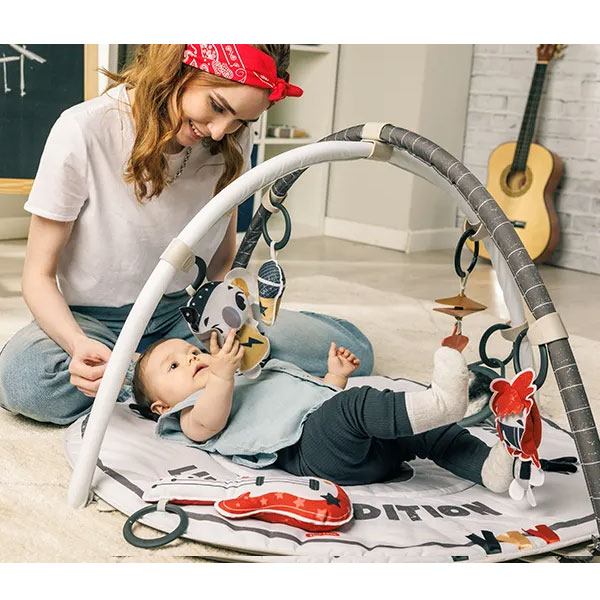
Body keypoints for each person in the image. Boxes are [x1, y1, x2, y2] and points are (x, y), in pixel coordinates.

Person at [0, 44, 374, 425]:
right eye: (217, 106)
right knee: (26, 380)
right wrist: (78, 345)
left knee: (351, 351)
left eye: (241, 121)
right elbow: (37, 277)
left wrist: (224, 319)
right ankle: (157, 379)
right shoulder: (82, 130)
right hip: (94, 323)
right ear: (180, 68)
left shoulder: (228, 140)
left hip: (183, 317)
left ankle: (155, 382)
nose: (219, 130)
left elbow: (221, 259)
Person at [131, 330, 514, 490]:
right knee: (354, 407)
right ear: (162, 405)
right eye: (174, 366)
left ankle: (487, 468)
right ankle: (443, 403)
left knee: (426, 431)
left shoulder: (243, 377)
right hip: (312, 454)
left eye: (192, 351)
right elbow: (210, 422)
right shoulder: (187, 415)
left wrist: (334, 377)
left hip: (359, 449)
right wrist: (220, 375)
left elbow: (310, 401)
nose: (192, 358)